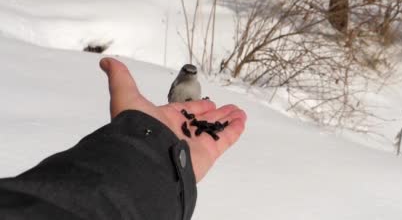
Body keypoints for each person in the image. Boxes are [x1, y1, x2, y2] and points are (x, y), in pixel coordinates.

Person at [0, 58, 247, 220]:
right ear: (182, 72)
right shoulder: (178, 84)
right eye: (186, 71)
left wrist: (144, 143)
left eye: (192, 73)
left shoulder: (196, 86)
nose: (189, 75)